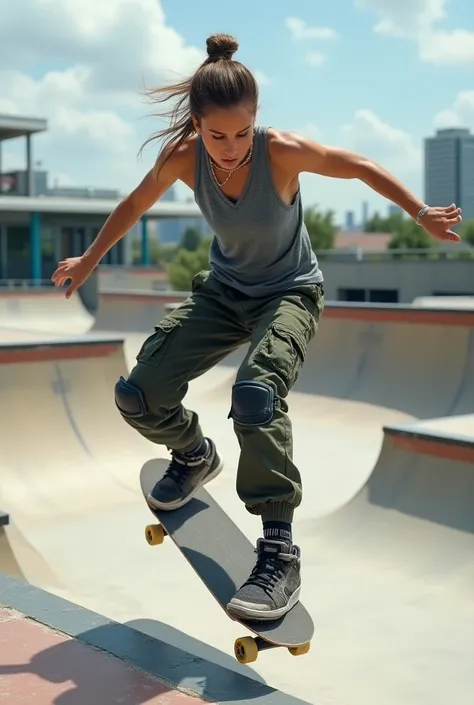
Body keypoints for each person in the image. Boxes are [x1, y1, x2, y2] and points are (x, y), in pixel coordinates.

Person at [52, 33, 462, 622]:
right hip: (224, 292)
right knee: (138, 395)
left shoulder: (283, 153)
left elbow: (361, 166)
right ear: (197, 124)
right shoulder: (182, 159)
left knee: (255, 394)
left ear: (256, 120)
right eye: (216, 136)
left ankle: (278, 551)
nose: (230, 147)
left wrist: (419, 212)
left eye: (242, 133)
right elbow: (134, 205)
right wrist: (89, 260)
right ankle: (193, 454)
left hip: (290, 292)